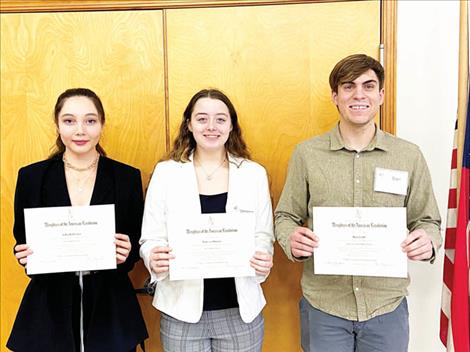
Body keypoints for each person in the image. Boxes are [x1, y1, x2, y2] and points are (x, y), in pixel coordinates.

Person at [275, 54, 442, 352]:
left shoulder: (408, 155)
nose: (358, 95)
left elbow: (427, 221)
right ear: (335, 96)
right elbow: (285, 216)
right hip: (324, 306)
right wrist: (291, 238)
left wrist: (427, 241)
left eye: (368, 86)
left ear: (380, 95)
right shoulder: (307, 154)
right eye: (348, 86)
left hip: (386, 308)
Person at [7, 88, 148, 352]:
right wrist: (24, 254)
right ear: (57, 125)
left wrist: (128, 252)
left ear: (102, 125)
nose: (80, 130)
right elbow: (23, 241)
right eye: (69, 121)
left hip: (111, 311)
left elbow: (135, 241)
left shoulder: (126, 177)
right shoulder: (32, 178)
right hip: (49, 312)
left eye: (90, 121)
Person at [140, 88, 274, 352]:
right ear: (189, 124)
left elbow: (263, 235)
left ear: (231, 125)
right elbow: (150, 237)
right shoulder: (166, 173)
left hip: (240, 311)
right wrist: (152, 256)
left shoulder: (253, 174)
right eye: (202, 119)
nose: (211, 127)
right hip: (181, 309)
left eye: (220, 119)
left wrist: (262, 258)